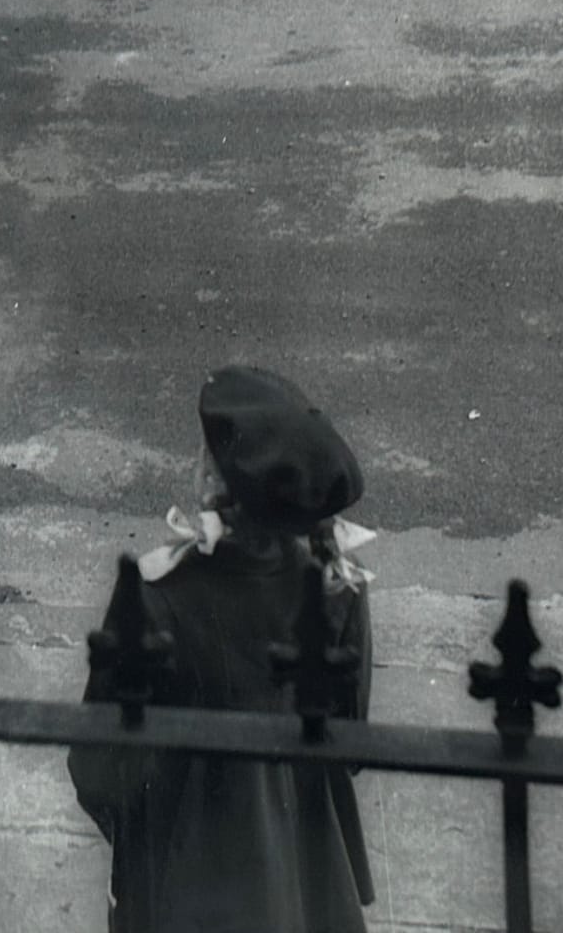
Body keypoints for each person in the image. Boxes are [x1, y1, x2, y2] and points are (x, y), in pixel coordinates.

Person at [68, 366, 377, 933]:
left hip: (183, 872)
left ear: (213, 479)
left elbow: (98, 768)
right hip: (304, 874)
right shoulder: (338, 585)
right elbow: (349, 743)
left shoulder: (158, 592)